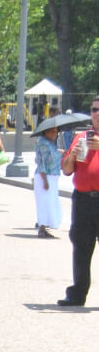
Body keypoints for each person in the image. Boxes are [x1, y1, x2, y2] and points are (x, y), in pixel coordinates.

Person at [57, 96, 99, 306]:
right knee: (81, 247)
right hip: (83, 200)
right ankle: (77, 294)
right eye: (94, 110)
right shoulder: (81, 137)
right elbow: (66, 169)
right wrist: (71, 156)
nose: (97, 114)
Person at [33, 126, 63, 238]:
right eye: (52, 131)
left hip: (52, 176)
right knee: (44, 203)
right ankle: (41, 229)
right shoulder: (43, 143)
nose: (54, 134)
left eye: (56, 132)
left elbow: (52, 156)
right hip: (45, 177)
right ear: (45, 132)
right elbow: (41, 163)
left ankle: (44, 228)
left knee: (50, 203)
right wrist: (45, 180)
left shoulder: (50, 143)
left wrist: (60, 152)